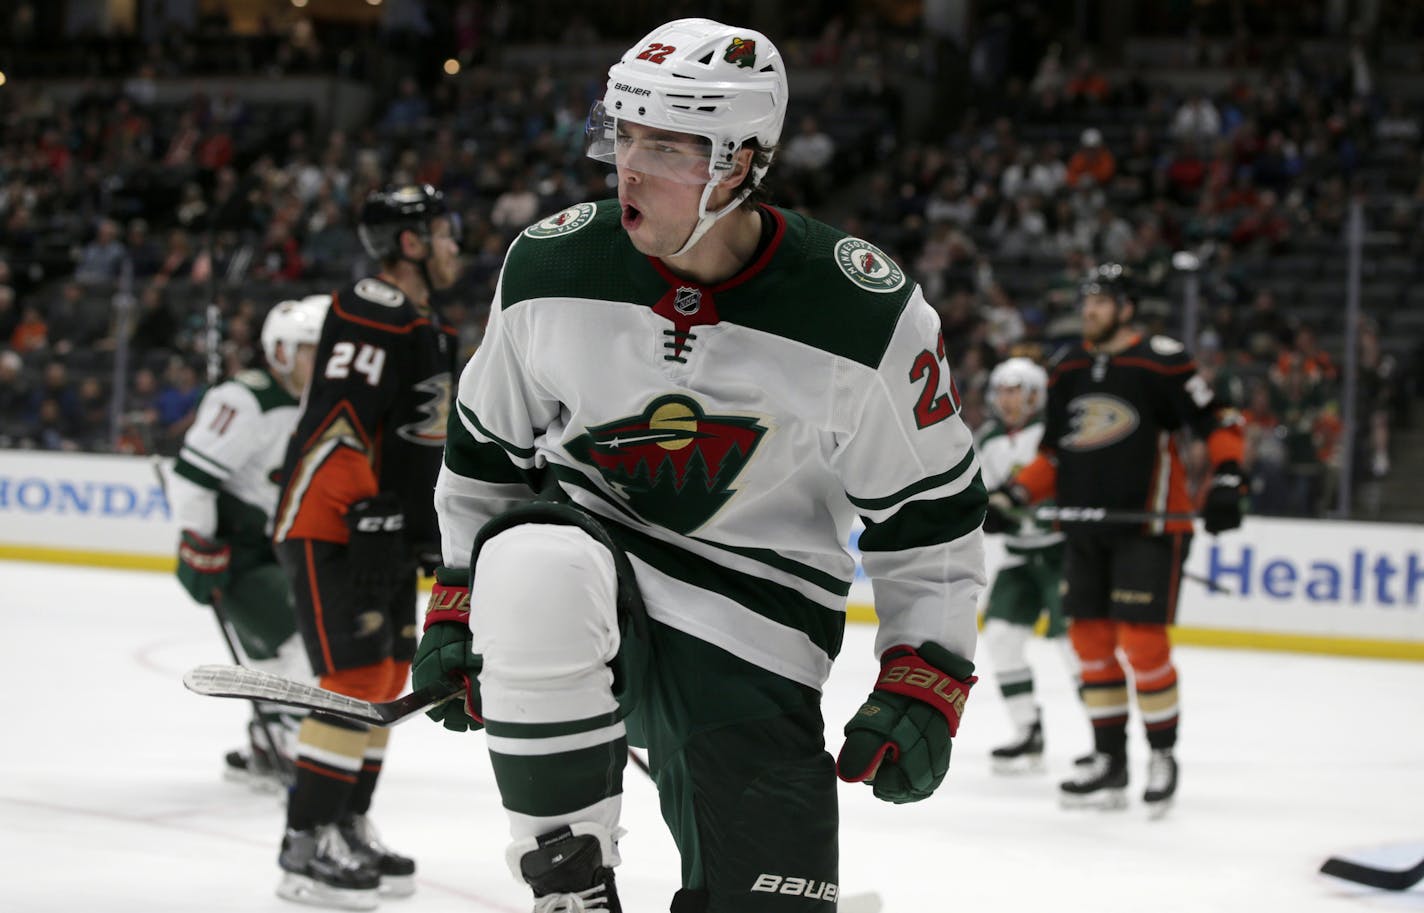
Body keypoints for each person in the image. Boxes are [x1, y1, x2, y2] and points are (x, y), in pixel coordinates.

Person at [416, 18, 986, 913]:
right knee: (531, 559)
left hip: (753, 629)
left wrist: (927, 671)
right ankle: (567, 884)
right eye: (622, 134)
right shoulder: (552, 263)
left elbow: (929, 516)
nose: (629, 168)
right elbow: (486, 451)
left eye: (668, 146)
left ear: (741, 162)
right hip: (588, 574)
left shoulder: (864, 314)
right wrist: (458, 593)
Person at [992, 262, 1246, 817]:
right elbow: (1056, 453)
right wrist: (1014, 495)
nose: (1090, 310)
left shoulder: (1161, 359)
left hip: (1148, 526)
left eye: (1102, 301)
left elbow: (1219, 420)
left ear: (1127, 308)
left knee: (1143, 645)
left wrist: (1228, 477)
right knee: (1089, 645)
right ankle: (1110, 761)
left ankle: (1161, 755)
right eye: (1086, 301)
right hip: (1084, 528)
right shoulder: (1070, 366)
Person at [271, 184, 461, 908]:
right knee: (353, 679)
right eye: (441, 233)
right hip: (334, 518)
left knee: (385, 682)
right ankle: (303, 843)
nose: (453, 245)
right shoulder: (371, 305)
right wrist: (361, 509)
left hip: (379, 525)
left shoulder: (421, 322)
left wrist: (419, 526)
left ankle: (346, 823)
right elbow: (339, 417)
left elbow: (412, 440)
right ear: (408, 244)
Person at [169, 295, 330, 789]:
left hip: (280, 547)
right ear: (281, 351)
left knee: (269, 652)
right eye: (310, 350)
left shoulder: (321, 403)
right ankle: (284, 738)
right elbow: (194, 479)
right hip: (238, 553)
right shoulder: (245, 400)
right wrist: (198, 543)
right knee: (302, 636)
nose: (321, 361)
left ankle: (266, 742)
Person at [976, 357, 1077, 773]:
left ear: (1036, 394)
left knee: (1075, 648)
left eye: (1016, 391)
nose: (1008, 400)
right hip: (1020, 555)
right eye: (1002, 391)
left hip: (1062, 553)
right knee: (1000, 637)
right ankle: (1027, 730)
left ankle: (1107, 741)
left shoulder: (1053, 434)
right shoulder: (987, 440)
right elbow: (980, 494)